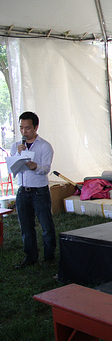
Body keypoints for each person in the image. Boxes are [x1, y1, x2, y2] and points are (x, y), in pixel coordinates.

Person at [11, 111, 57, 269]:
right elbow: (12, 167)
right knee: (26, 226)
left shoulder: (44, 146)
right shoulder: (16, 146)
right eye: (21, 128)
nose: (24, 132)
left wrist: (35, 166)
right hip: (23, 191)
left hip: (39, 191)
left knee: (46, 225)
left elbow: (46, 169)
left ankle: (49, 256)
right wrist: (18, 154)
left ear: (36, 127)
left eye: (28, 128)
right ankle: (30, 256)